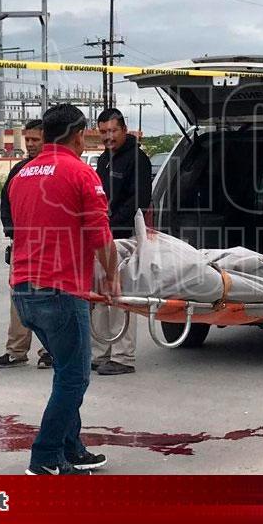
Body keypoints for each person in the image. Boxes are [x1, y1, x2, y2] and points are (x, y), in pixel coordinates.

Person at [9, 103, 118, 475]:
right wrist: (114, 278)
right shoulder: (81, 173)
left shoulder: (23, 173)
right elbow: (100, 234)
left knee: (65, 372)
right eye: (86, 133)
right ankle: (45, 457)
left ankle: (72, 448)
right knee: (75, 376)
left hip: (24, 289)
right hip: (60, 290)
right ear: (76, 134)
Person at [91, 108, 152, 376]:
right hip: (101, 237)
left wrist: (111, 226)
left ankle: (123, 357)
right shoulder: (104, 159)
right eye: (103, 132)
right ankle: (101, 352)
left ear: (124, 130)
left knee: (120, 297)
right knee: (101, 295)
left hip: (123, 238)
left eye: (113, 131)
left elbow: (139, 201)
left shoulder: (137, 159)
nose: (108, 137)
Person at [0, 120, 53, 370]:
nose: (30, 145)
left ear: (47, 141)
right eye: (27, 140)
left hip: (50, 246)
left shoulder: (53, 169)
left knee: (48, 298)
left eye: (35, 140)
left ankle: (50, 349)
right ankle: (16, 350)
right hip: (22, 245)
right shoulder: (19, 169)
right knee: (19, 297)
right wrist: (12, 231)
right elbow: (6, 203)